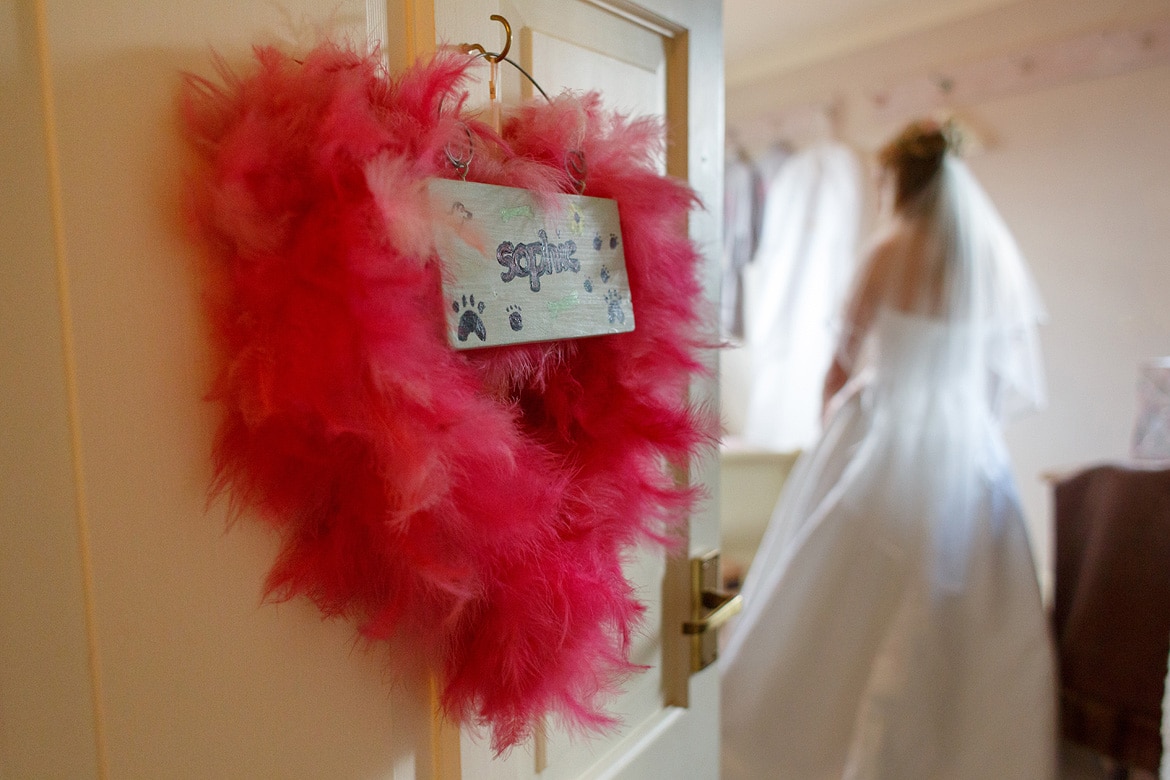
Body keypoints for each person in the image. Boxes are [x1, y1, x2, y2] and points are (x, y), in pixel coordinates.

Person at [720, 120, 1056, 779]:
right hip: (966, 440)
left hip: (885, 425)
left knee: (841, 585)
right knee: (957, 587)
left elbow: (839, 364)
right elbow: (994, 374)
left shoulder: (890, 248)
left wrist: (826, 437)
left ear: (901, 179)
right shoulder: (981, 259)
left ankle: (803, 731)